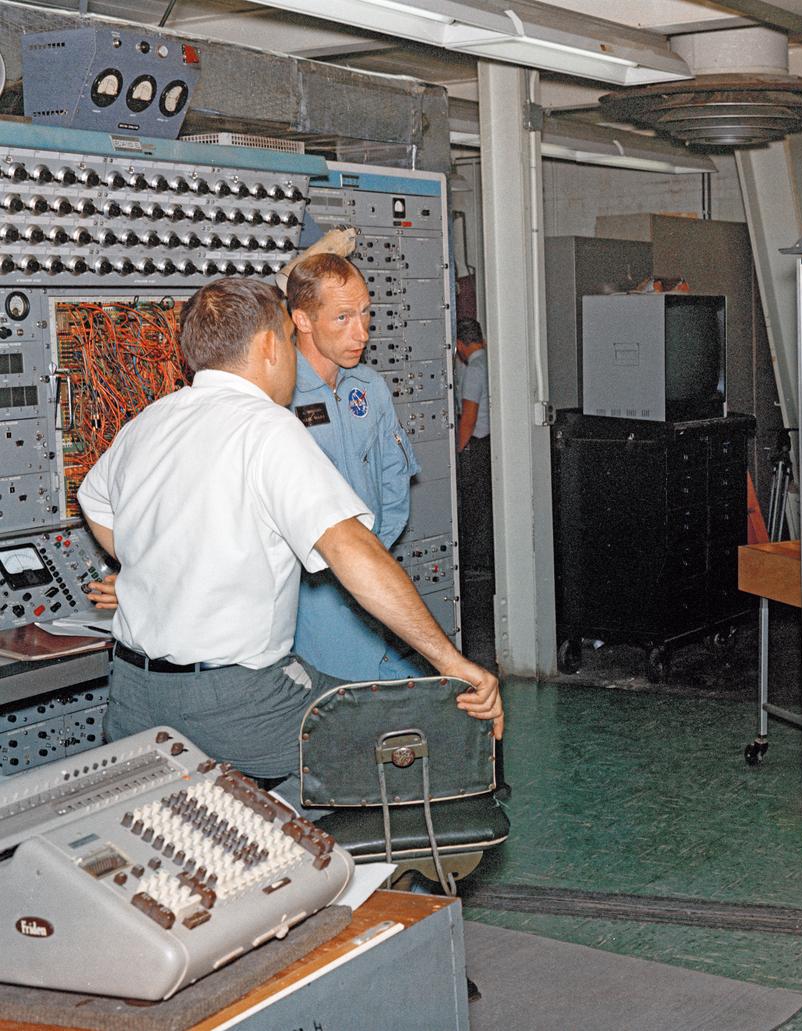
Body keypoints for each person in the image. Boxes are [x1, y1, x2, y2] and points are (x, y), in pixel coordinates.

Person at [78, 277, 502, 794]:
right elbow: (353, 551)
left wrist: (152, 568)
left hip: (132, 694)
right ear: (268, 345)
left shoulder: (150, 421)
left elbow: (94, 500)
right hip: (237, 702)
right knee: (420, 744)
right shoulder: (268, 428)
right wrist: (452, 662)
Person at [287, 252, 423, 681]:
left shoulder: (371, 388)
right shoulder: (278, 395)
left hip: (369, 576)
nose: (361, 333)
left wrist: (368, 559)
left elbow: (394, 486)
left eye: (365, 314)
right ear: (303, 320)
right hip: (306, 594)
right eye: (343, 317)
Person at [454, 316, 493, 577]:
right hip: (490, 443)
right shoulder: (490, 362)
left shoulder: (475, 370)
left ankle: (474, 565)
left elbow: (468, 418)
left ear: (459, 345)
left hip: (477, 446)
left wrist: (456, 452)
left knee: (474, 507)